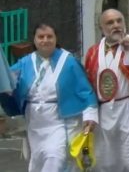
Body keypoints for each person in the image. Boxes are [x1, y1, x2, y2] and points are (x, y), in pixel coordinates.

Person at [11, 24, 98, 171]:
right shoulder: (26, 62)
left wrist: (90, 114)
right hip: (35, 124)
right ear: (34, 40)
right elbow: (8, 80)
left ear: (56, 38)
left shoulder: (68, 61)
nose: (45, 40)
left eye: (49, 36)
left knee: (55, 159)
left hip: (58, 122)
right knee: (37, 163)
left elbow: (85, 90)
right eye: (41, 37)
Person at [84, 9, 129, 171]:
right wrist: (89, 115)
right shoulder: (93, 52)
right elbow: (88, 87)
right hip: (105, 113)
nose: (116, 25)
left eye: (119, 21)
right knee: (107, 162)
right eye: (110, 23)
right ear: (101, 28)